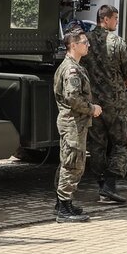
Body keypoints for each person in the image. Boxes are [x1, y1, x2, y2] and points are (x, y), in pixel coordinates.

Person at [82, 5, 127, 203]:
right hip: (115, 102)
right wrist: (125, 77)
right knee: (124, 140)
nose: (117, 22)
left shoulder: (85, 41)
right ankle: (110, 184)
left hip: (93, 102)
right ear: (105, 19)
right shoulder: (117, 42)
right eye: (115, 18)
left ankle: (101, 187)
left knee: (97, 144)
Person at [53, 30, 103, 223]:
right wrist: (92, 109)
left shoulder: (73, 66)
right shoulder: (71, 69)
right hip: (73, 123)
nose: (87, 45)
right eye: (84, 42)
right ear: (73, 45)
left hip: (74, 123)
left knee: (70, 161)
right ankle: (63, 209)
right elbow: (72, 98)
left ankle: (64, 203)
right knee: (72, 164)